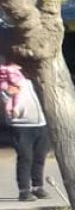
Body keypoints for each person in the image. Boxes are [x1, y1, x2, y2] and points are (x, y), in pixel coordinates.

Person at [1, 63, 51, 202]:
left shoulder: (32, 80)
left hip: (40, 123)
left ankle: (38, 187)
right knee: (25, 157)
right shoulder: (7, 80)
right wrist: (7, 93)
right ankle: (24, 190)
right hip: (21, 125)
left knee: (39, 157)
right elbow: (5, 97)